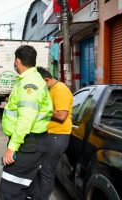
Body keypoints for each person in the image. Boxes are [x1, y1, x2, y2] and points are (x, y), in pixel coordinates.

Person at [0, 45, 53, 200]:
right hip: (31, 142)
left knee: (10, 191)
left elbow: (26, 119)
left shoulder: (29, 83)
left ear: (17, 61)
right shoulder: (33, 79)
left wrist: (12, 147)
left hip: (27, 143)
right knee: (28, 189)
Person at [31, 67, 73, 200]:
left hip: (57, 136)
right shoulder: (51, 89)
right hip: (50, 134)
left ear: (47, 80)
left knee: (46, 172)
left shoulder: (60, 89)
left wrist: (41, 109)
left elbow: (61, 115)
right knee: (40, 169)